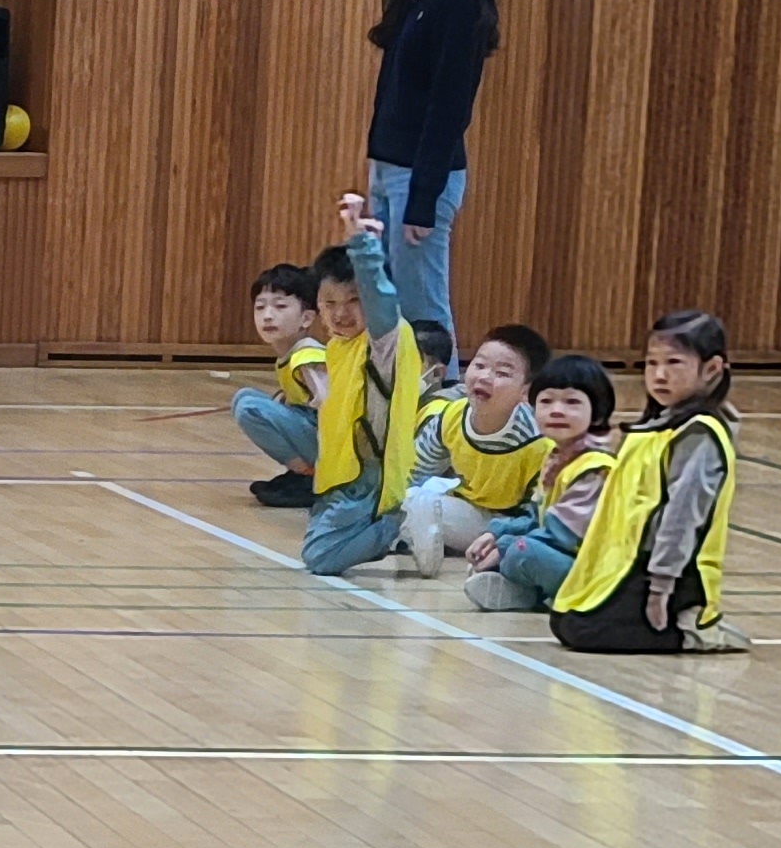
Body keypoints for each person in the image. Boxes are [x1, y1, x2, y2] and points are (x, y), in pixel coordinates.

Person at [549, 311, 746, 655]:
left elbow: (682, 514)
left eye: (674, 363)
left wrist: (661, 586)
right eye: (652, 363)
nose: (659, 374)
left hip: (674, 572)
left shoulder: (699, 435)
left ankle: (693, 629)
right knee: (565, 620)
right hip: (633, 561)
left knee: (586, 630)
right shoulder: (657, 423)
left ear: (712, 369)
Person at [365, 0, 499, 349]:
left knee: (422, 312)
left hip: (421, 175)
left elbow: (449, 106)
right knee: (381, 305)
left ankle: (440, 416)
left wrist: (423, 197)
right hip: (386, 167)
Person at [295, 201, 425, 579]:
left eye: (354, 300)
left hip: (371, 476)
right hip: (342, 477)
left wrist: (362, 245)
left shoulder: (386, 341)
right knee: (318, 544)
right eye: (329, 303)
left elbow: (381, 299)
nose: (341, 313)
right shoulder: (335, 347)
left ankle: (399, 524)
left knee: (319, 558)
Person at [465, 356, 620, 614]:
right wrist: (497, 533)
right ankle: (525, 592)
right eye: (546, 402)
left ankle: (532, 593)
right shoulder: (557, 458)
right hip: (571, 560)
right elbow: (538, 514)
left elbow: (563, 534)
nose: (557, 410)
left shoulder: (595, 467)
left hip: (599, 572)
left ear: (598, 411)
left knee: (523, 552)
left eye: (572, 402)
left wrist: (504, 548)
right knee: (511, 549)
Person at [391, 320, 550, 570]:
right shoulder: (451, 417)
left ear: (526, 392)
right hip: (466, 512)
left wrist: (503, 539)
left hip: (509, 526)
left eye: (502, 373)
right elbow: (414, 473)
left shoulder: (538, 441)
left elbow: (539, 514)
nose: (485, 377)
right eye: (479, 365)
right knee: (404, 498)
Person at [234, 261, 329, 506]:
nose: (267, 315)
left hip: (334, 448)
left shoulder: (308, 356)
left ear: (307, 318)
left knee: (249, 409)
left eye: (280, 306)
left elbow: (332, 405)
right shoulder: (289, 354)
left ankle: (311, 475)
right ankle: (303, 473)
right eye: (260, 307)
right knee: (243, 397)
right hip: (317, 438)